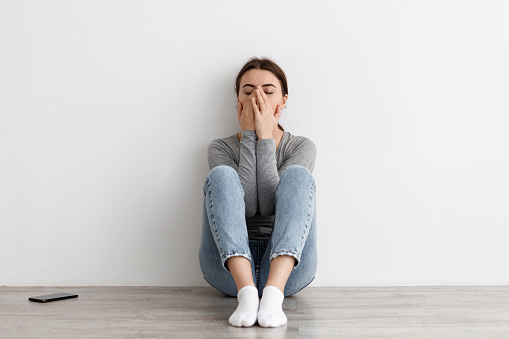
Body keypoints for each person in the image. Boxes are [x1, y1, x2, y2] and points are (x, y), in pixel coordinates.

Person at [199, 57, 317, 328]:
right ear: (238, 100)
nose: (258, 99)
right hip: (228, 269)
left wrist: (265, 137)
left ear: (283, 100)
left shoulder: (301, 147)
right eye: (249, 92)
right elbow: (250, 206)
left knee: (298, 176)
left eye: (268, 91)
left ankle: (273, 296)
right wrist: (251, 136)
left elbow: (268, 205)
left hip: (288, 270)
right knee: (221, 175)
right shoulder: (221, 148)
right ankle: (248, 294)